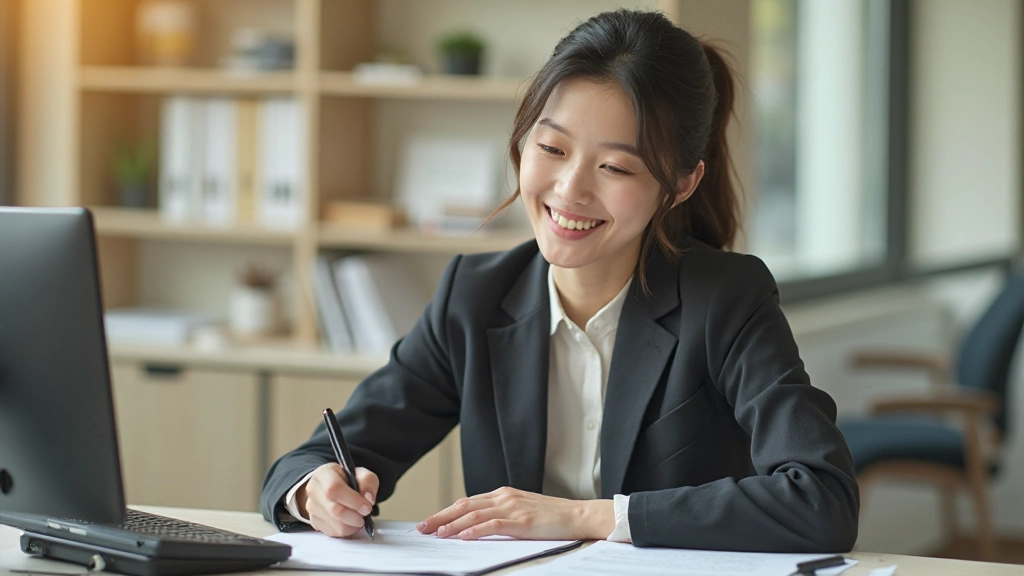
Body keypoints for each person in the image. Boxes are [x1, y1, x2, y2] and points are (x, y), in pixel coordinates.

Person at [260, 9, 859, 552]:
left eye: (615, 166)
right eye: (551, 148)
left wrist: (587, 517)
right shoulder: (476, 295)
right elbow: (314, 459)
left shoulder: (725, 298)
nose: (570, 190)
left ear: (680, 185)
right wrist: (313, 490)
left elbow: (821, 497)